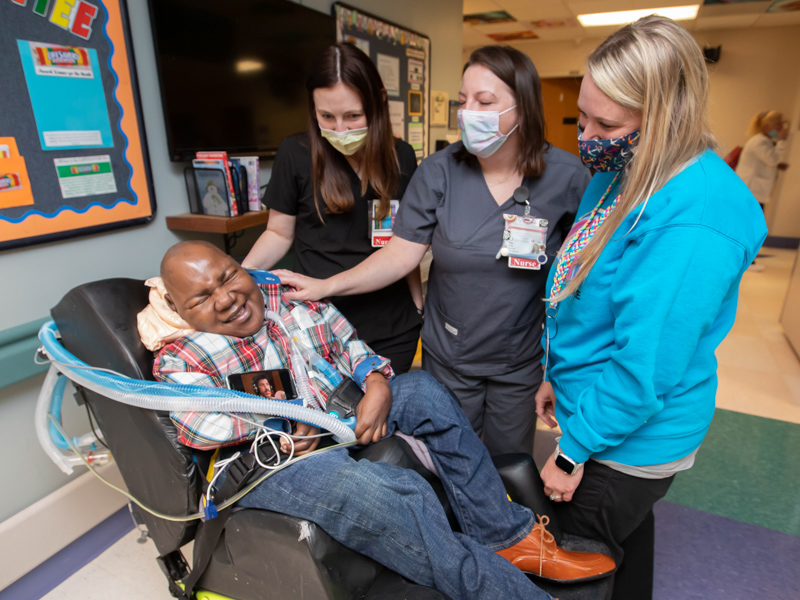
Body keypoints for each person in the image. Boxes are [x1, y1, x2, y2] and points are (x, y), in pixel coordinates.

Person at [153, 241, 615, 600]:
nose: (227, 297)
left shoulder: (287, 301)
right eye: (202, 297)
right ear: (179, 310)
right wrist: (283, 427)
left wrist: (375, 382)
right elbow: (199, 426)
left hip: (338, 415)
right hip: (275, 463)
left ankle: (507, 537)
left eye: (228, 276)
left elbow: (348, 342)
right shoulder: (183, 357)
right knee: (396, 492)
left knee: (425, 392)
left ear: (240, 266)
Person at [533, 16, 768, 600]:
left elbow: (645, 367)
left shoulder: (695, 217)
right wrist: (554, 372)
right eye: (583, 117)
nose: (585, 134)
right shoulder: (626, 168)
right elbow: (582, 279)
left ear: (664, 115)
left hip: (626, 433)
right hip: (594, 405)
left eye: (604, 123)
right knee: (626, 547)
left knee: (578, 559)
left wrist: (571, 450)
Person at [276, 46, 591, 456]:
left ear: (523, 107)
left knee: (509, 461)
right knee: (447, 459)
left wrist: (558, 368)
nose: (468, 112)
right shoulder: (439, 171)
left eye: (485, 102)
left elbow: (578, 279)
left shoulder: (569, 177)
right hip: (451, 351)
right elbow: (400, 254)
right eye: (463, 101)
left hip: (519, 357)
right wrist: (326, 285)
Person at [242, 43, 422, 374]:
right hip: (320, 324)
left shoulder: (403, 156)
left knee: (383, 418)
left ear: (378, 102)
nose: (340, 130)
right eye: (326, 116)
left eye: (353, 116)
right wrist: (239, 277)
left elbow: (405, 243)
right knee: (335, 420)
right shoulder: (296, 154)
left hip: (392, 324)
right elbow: (278, 233)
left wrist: (417, 302)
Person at [735, 110, 790, 271]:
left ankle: (747, 261)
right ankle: (747, 263)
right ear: (768, 125)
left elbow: (770, 162)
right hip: (753, 191)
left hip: (754, 191)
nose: (780, 128)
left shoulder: (762, 141)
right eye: (778, 125)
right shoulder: (760, 142)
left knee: (751, 226)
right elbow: (773, 159)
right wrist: (782, 141)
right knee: (751, 227)